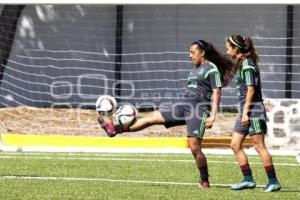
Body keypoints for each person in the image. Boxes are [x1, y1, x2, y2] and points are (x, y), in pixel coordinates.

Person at [98, 40, 234, 189]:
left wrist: (212, 115)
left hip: (198, 110)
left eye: (192, 52)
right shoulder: (195, 69)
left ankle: (204, 180)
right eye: (189, 52)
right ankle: (114, 129)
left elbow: (217, 92)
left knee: (194, 147)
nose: (189, 56)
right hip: (183, 106)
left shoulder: (211, 68)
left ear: (202, 53)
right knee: (151, 117)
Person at [225, 34, 281, 192]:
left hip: (252, 111)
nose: (226, 50)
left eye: (228, 48)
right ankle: (248, 179)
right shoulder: (242, 64)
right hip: (245, 111)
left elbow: (251, 90)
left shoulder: (248, 65)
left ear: (236, 49)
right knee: (235, 145)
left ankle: (273, 181)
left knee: (259, 146)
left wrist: (245, 113)